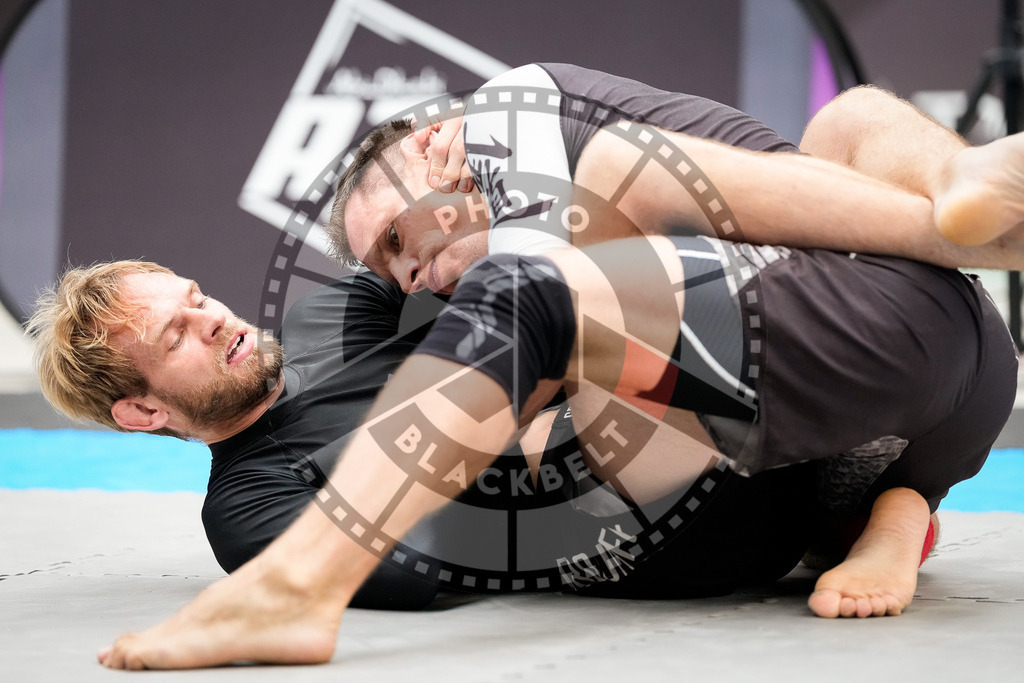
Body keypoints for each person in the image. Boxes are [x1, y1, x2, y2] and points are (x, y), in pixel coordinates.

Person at [90, 229, 1016, 669]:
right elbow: (425, 567)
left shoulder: (327, 321)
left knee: (933, 274)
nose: (212, 319)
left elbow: (427, 250)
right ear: (140, 411)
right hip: (668, 521)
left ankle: (898, 503)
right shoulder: (247, 504)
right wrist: (517, 422)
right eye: (176, 335)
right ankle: (894, 505)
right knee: (563, 320)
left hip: (772, 413)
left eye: (196, 297)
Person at [328, 63, 1024, 297]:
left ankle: (961, 185)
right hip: (857, 346)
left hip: (865, 283)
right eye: (392, 277)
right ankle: (897, 519)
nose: (409, 280)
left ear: (427, 146)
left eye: (394, 239)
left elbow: (531, 287)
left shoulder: (510, 113)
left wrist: (482, 123)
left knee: (851, 117)